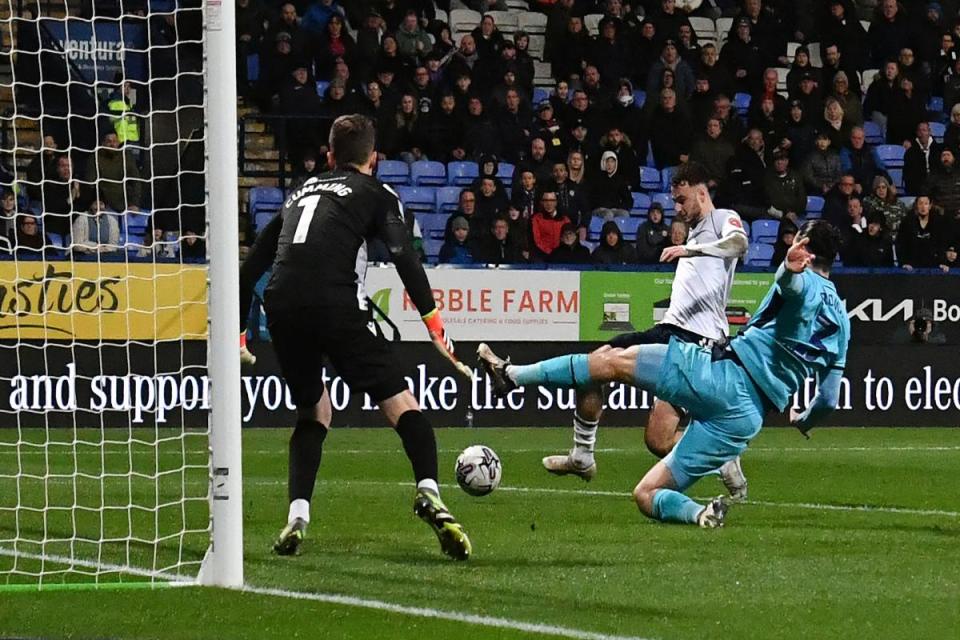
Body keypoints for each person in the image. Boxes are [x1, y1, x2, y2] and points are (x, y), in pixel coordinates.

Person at [478, 220, 849, 528]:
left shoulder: (806, 282)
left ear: (805, 244)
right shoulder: (843, 322)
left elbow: (794, 287)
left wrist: (787, 267)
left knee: (613, 360)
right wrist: (804, 420)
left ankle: (511, 376)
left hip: (722, 377)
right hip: (746, 420)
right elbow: (829, 398)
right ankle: (702, 514)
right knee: (647, 493)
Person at [244, 115, 471, 560]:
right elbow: (404, 257)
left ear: (329, 156)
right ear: (375, 159)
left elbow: (251, 266)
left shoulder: (300, 192)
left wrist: (237, 335)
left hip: (282, 308)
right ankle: (429, 492)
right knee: (403, 405)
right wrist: (434, 325)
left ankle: (297, 515)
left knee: (314, 411)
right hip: (335, 304)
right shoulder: (378, 192)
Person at [510, 162, 749, 498]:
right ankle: (582, 454)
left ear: (701, 192)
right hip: (672, 330)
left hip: (699, 341)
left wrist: (692, 250)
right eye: (675, 202)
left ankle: (719, 456)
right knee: (615, 387)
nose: (677, 209)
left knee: (620, 389)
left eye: (682, 201)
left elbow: (739, 244)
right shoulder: (694, 229)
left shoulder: (723, 218)